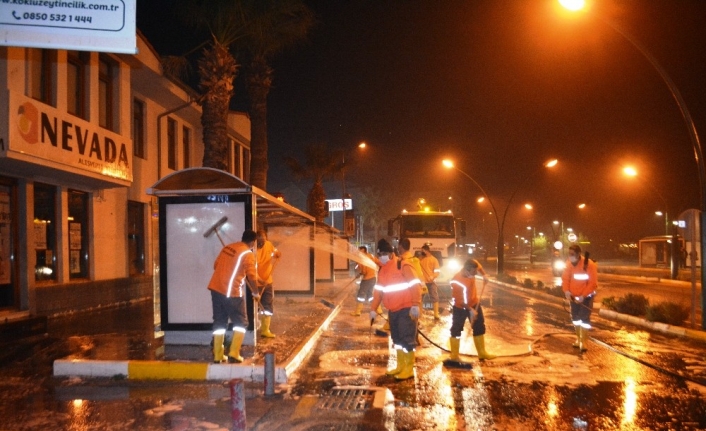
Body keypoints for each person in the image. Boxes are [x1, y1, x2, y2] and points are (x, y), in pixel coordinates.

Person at [369, 238, 423, 380]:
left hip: (406, 309)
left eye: (385, 253)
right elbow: (379, 291)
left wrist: (416, 305)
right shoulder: (382, 270)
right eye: (380, 254)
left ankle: (409, 369)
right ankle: (400, 366)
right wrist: (373, 308)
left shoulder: (403, 265)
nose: (383, 257)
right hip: (393, 310)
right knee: (397, 339)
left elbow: (415, 285)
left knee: (407, 339)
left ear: (392, 253)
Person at [207, 229, 259, 363]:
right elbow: (252, 277)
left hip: (216, 288)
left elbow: (215, 265)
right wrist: (255, 292)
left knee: (219, 322)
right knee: (241, 322)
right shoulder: (248, 254)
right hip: (231, 292)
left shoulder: (228, 247)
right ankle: (234, 353)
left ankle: (218, 355)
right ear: (253, 242)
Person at [445, 259, 495, 367]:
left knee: (479, 326)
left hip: (474, 303)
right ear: (467, 270)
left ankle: (482, 353)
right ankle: (454, 355)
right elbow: (460, 301)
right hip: (460, 307)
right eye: (473, 272)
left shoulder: (472, 267)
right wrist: (470, 310)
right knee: (456, 329)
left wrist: (484, 275)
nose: (475, 274)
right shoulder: (457, 281)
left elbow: (479, 266)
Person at [561, 244, 598, 352]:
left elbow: (592, 283)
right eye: (569, 254)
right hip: (573, 297)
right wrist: (566, 291)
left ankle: (584, 341)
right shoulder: (568, 264)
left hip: (586, 298)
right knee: (575, 318)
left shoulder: (589, 265)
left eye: (572, 254)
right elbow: (565, 278)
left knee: (584, 318)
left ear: (578, 255)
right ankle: (578, 339)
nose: (570, 256)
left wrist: (583, 296)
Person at [256, 229, 281, 338]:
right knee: (255, 306)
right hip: (255, 283)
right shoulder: (252, 250)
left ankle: (265, 330)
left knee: (267, 305)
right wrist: (260, 280)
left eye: (264, 240)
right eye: (259, 241)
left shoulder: (268, 244)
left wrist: (277, 253)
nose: (262, 243)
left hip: (268, 282)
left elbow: (274, 251)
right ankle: (254, 327)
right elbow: (251, 269)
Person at [351, 245, 380, 316]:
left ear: (364, 251)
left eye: (360, 251)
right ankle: (378, 309)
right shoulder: (371, 256)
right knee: (370, 295)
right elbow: (378, 262)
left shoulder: (362, 259)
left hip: (367, 279)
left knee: (361, 294)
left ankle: (357, 311)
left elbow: (364, 271)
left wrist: (361, 273)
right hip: (373, 278)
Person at [420, 244, 441, 320]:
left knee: (434, 297)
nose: (421, 252)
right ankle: (420, 314)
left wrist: (433, 276)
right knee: (420, 298)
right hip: (422, 283)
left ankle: (436, 314)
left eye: (423, 251)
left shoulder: (434, 260)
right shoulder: (420, 260)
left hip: (431, 282)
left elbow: (437, 271)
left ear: (427, 251)